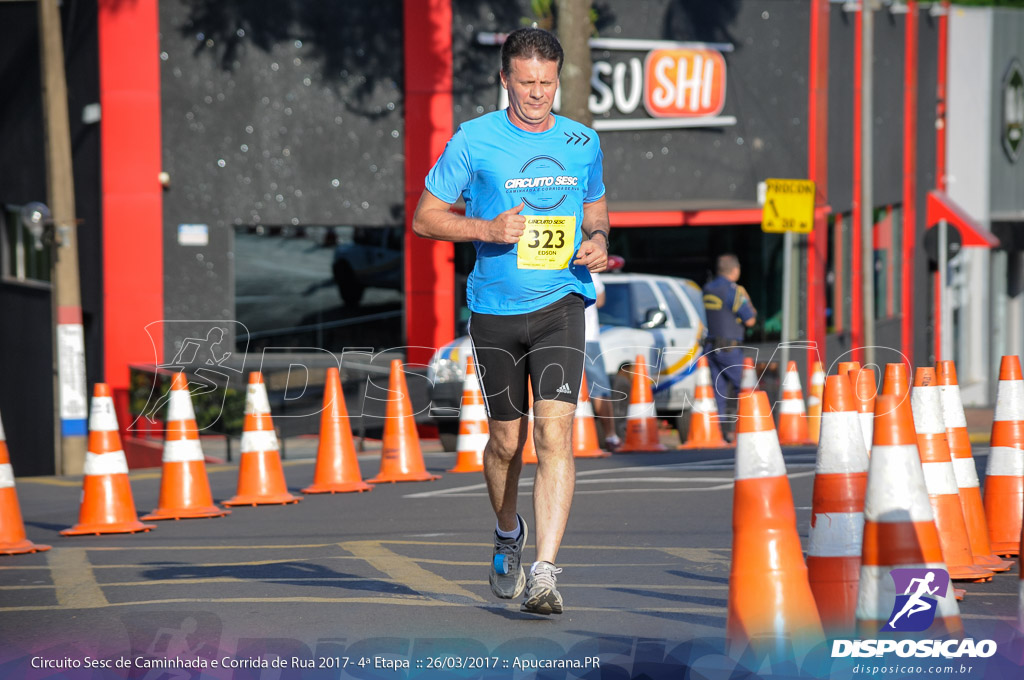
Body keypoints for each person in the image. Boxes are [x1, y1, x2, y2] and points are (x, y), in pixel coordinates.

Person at [411, 27, 609, 615]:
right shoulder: (473, 141)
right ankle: (507, 532)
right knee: (505, 443)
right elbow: (425, 218)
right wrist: (487, 229)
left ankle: (546, 572)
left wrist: (597, 239)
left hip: (561, 305)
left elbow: (595, 203)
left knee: (554, 436)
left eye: (548, 83)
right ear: (505, 80)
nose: (538, 94)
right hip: (495, 313)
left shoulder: (582, 141)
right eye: (526, 84)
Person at [702, 254, 756, 435]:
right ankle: (752, 427)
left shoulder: (708, 288)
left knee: (719, 392)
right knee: (747, 387)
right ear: (735, 270)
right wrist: (747, 298)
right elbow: (750, 320)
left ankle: (721, 432)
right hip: (729, 349)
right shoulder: (734, 290)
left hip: (711, 348)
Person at [584, 271, 619, 450]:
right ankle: (610, 435)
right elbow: (601, 299)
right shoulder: (588, 266)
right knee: (598, 388)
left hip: (557, 335)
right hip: (588, 336)